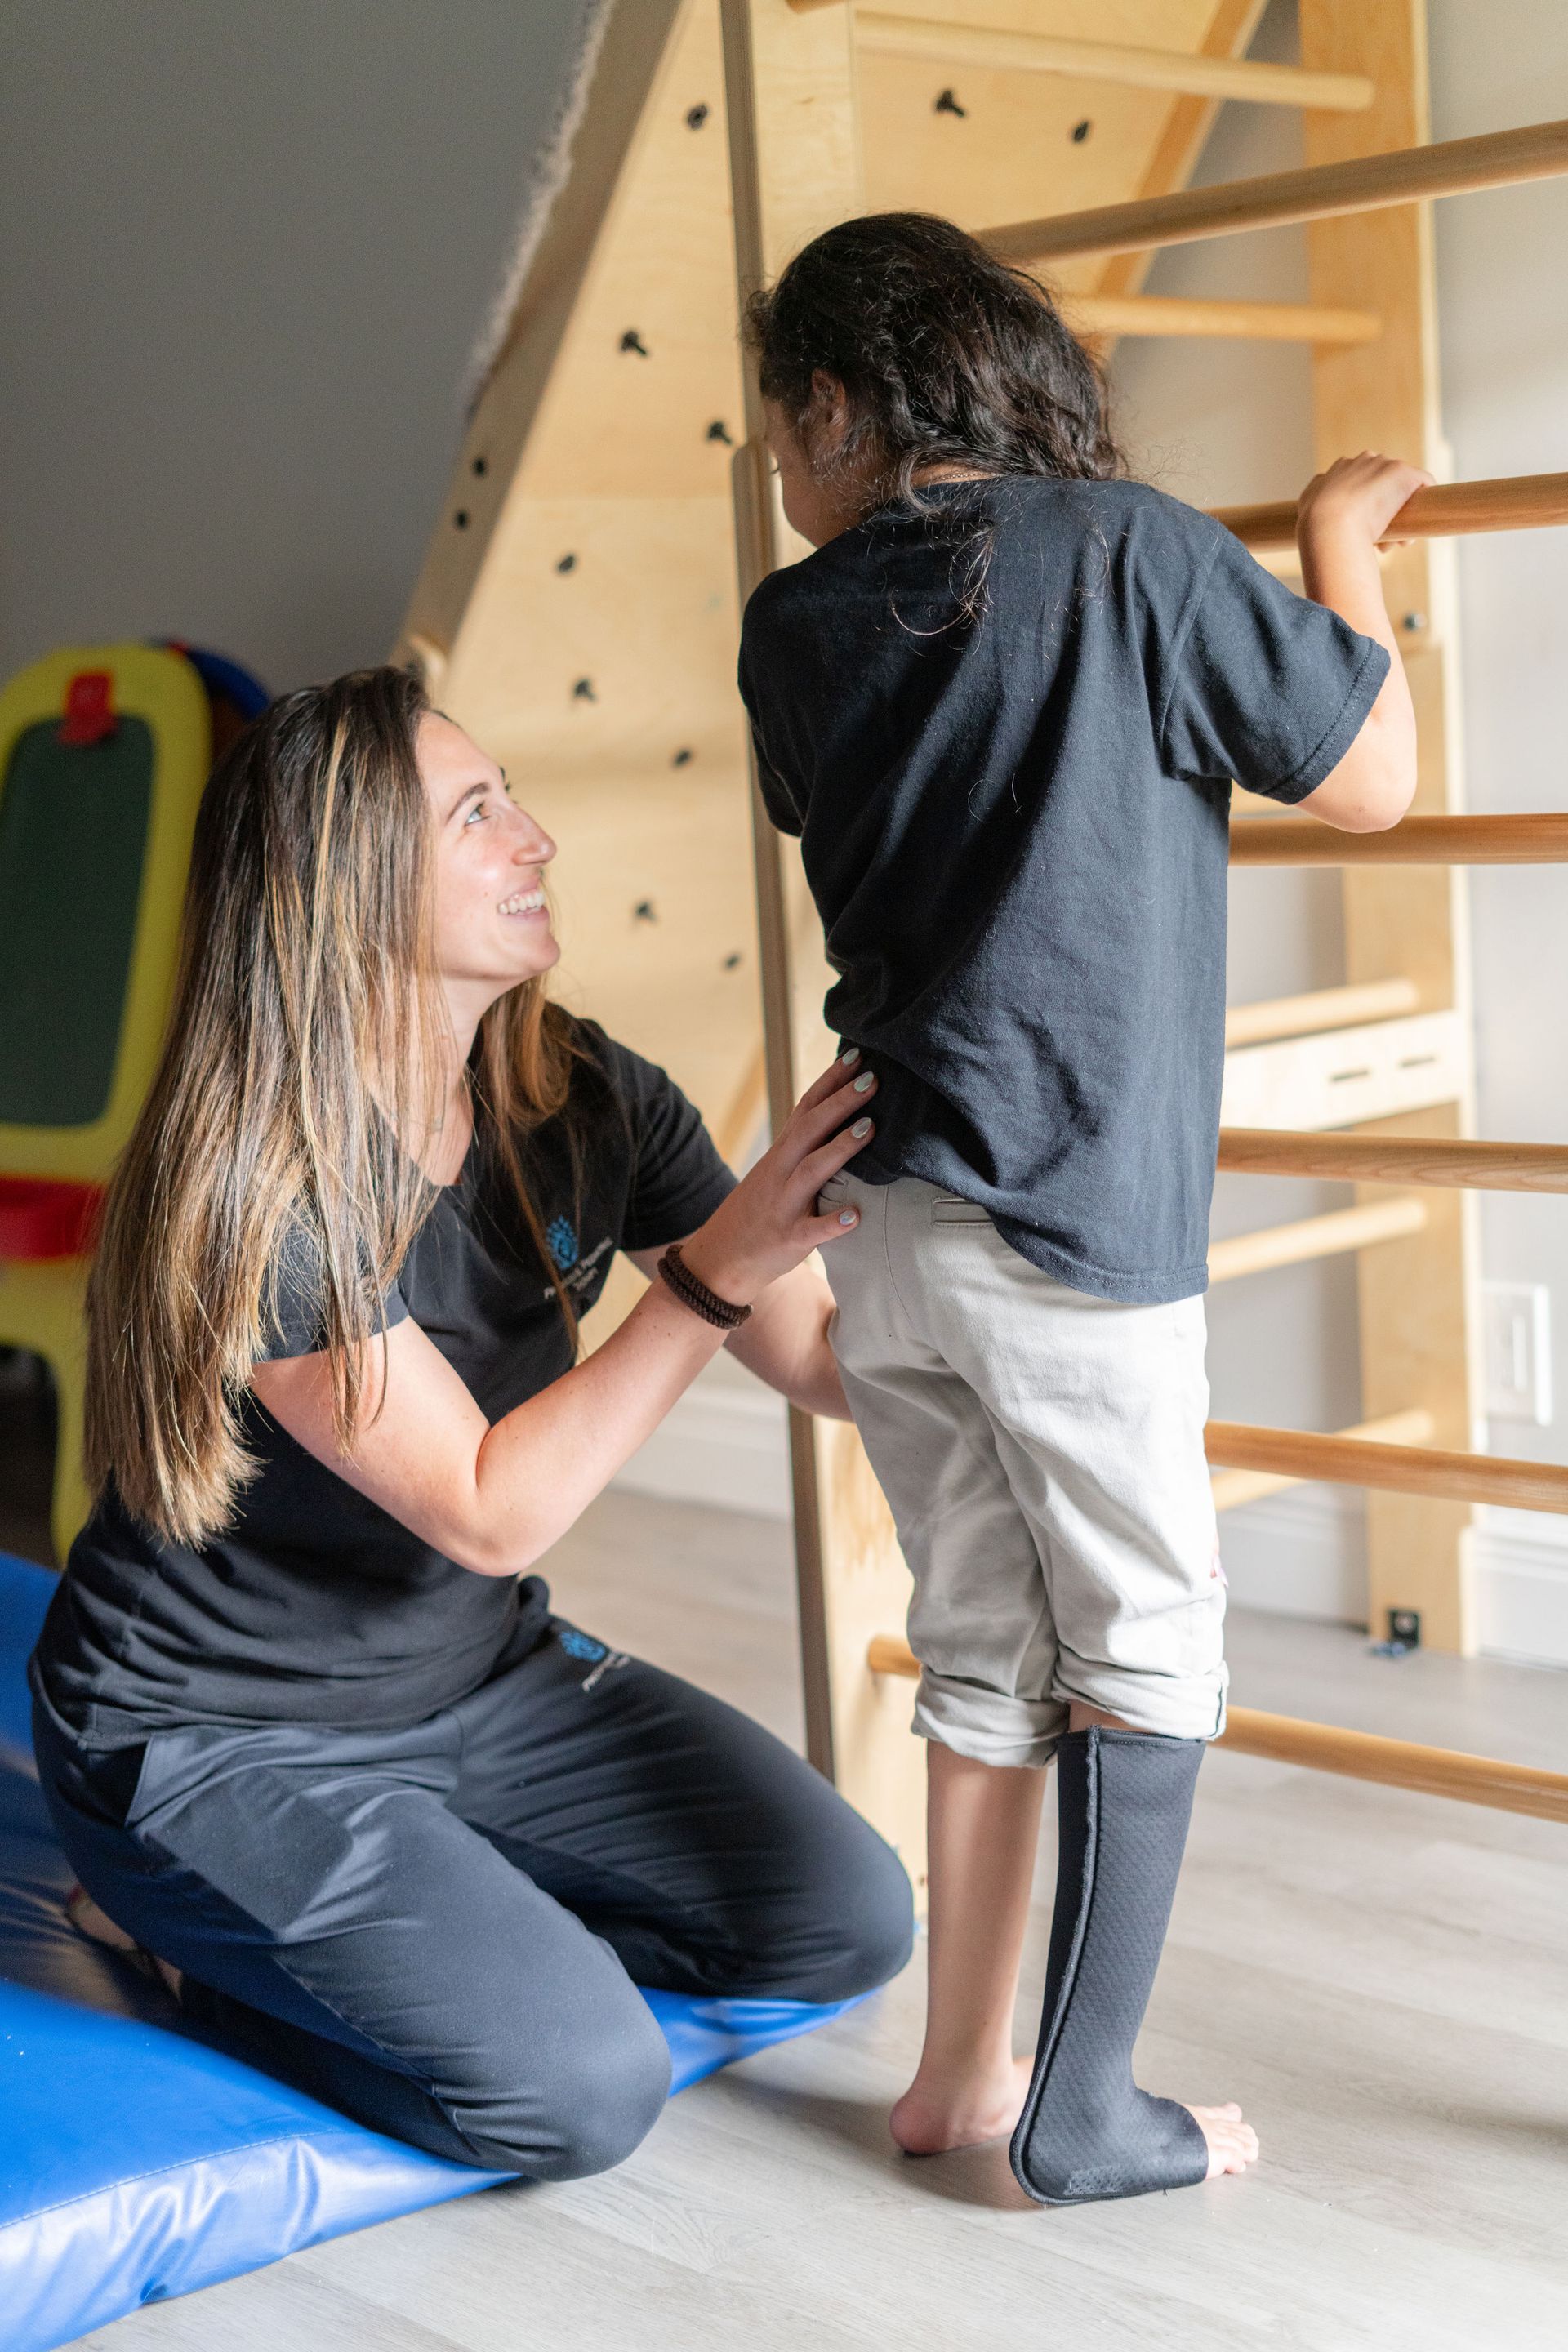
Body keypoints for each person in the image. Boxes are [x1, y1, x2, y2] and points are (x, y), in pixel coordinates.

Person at [737, 212, 1424, 2206]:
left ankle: (960, 2079)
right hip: (1068, 1205)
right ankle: (1087, 2103)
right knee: (1150, 1643)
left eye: (783, 423)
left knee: (980, 1640)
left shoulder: (795, 625)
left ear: (848, 405)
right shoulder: (1124, 550)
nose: (780, 468)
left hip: (886, 1219)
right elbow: (1368, 774)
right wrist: (1341, 547)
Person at [29, 666, 914, 2180]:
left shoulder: (586, 1098)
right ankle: (188, 1943)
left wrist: (1002, 1293)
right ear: (352, 886)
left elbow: (823, 1362)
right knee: (578, 2092)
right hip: (217, 1739)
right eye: (481, 815)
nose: (539, 839)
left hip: (477, 1682)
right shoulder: (261, 1192)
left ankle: (432, 1900)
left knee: (843, 1918)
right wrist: (707, 1278)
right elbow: (490, 1508)